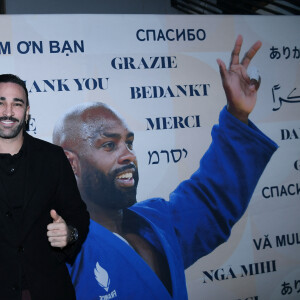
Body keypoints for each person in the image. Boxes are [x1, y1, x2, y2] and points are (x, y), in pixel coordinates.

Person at [53, 35, 278, 300]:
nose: (129, 155)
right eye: (109, 146)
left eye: (129, 143)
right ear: (71, 163)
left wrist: (237, 115)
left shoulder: (156, 221)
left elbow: (212, 199)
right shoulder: (59, 248)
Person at [0, 74, 90, 300]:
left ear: (27, 111)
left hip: (48, 289)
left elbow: (78, 216)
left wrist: (70, 233)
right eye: (0, 102)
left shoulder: (52, 158)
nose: (8, 112)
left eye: (16, 104)